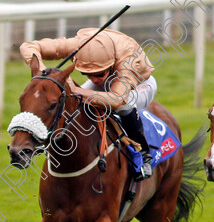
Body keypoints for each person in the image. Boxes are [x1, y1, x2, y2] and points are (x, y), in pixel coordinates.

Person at [20, 28, 156, 180]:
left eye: (99, 74)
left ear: (111, 65)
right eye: (87, 74)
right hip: (111, 84)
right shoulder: (78, 45)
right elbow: (28, 47)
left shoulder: (128, 59)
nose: (94, 80)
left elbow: (118, 100)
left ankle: (144, 156)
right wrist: (45, 73)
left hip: (138, 85)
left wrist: (81, 91)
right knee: (72, 100)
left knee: (124, 105)